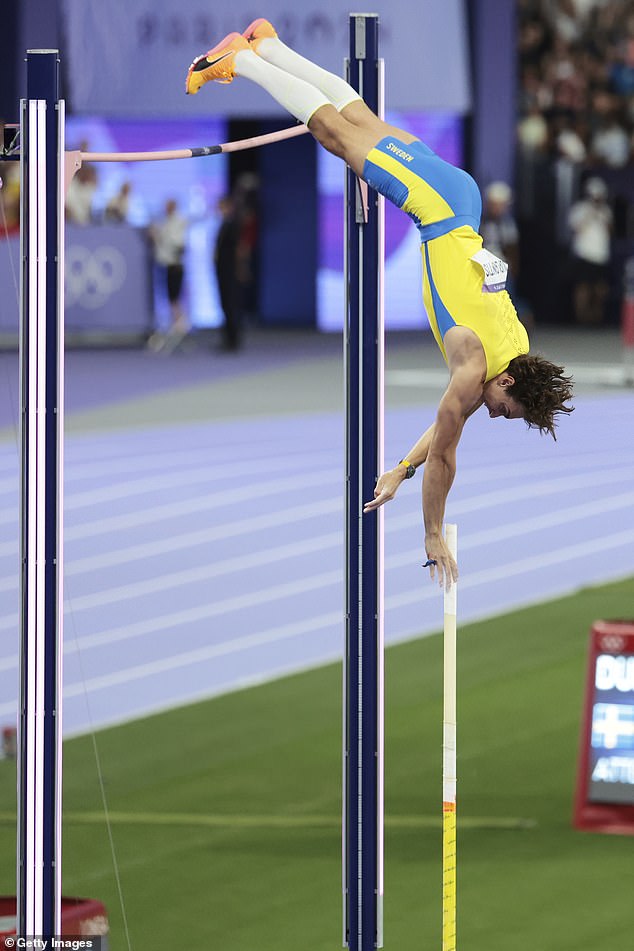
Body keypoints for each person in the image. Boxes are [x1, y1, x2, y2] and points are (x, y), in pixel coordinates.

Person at [185, 19, 574, 586]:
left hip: (459, 201)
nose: (495, 414)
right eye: (506, 410)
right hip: (435, 206)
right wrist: (432, 533)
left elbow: (445, 429)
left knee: (360, 122)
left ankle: (267, 44)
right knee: (336, 137)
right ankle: (238, 62)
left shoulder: (514, 351)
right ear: (511, 384)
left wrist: (397, 470)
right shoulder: (473, 372)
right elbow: (445, 454)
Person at [148, 198, 189, 352]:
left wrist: (160, 236)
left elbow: (177, 243)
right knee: (171, 298)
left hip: (175, 266)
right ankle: (178, 326)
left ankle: (181, 326)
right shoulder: (164, 222)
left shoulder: (179, 222)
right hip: (166, 265)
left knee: (174, 298)